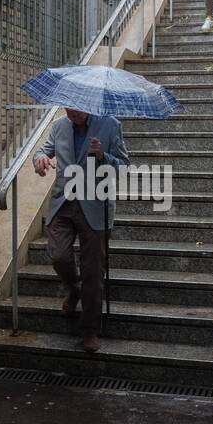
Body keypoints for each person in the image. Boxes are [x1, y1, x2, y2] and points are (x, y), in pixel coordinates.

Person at [33, 107, 129, 354]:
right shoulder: (59, 126)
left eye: (76, 107)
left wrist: (103, 157)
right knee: (58, 255)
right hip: (63, 204)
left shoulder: (110, 125)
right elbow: (44, 149)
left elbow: (124, 166)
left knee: (93, 271)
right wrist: (40, 159)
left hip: (96, 206)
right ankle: (73, 289)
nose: (70, 112)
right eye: (67, 106)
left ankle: (89, 330)